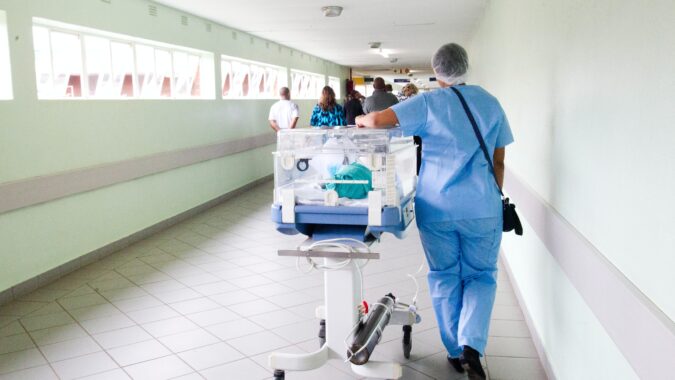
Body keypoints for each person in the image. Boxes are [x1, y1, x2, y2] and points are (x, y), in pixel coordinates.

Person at [356, 43, 514, 380]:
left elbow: (377, 121)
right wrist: (488, 193)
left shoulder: (429, 102)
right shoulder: (491, 102)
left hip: (437, 207)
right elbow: (499, 161)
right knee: (481, 276)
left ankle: (456, 352)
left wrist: (360, 117)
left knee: (444, 276)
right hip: (483, 207)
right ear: (466, 66)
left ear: (437, 70)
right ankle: (472, 344)